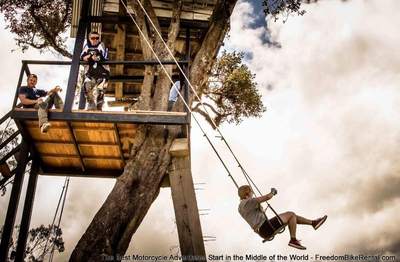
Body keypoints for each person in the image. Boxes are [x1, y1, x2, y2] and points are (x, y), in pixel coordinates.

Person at [238, 185, 327, 250]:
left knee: (292, 217)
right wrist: (272, 192)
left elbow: (253, 217)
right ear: (247, 192)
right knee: (291, 214)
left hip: (262, 231)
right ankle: (293, 240)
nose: (253, 193)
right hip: (265, 227)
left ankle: (313, 223)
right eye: (251, 191)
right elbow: (268, 197)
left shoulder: (240, 208)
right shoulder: (249, 202)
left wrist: (261, 211)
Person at [80, 31, 110, 111]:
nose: (95, 40)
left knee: (101, 92)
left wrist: (90, 57)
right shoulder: (86, 45)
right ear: (89, 38)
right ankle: (91, 104)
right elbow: (82, 57)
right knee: (86, 86)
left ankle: (99, 108)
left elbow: (102, 57)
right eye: (93, 38)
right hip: (90, 73)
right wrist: (91, 56)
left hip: (102, 73)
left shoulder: (102, 45)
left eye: (97, 38)